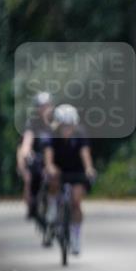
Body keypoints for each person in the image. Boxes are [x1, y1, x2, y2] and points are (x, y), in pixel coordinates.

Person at [43, 104, 97, 254]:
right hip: (59, 169)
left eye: (70, 126)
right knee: (53, 177)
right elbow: (48, 155)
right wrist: (50, 167)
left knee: (76, 202)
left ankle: (76, 236)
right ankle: (53, 207)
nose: (67, 129)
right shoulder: (51, 134)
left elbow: (85, 153)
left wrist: (89, 168)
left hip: (76, 171)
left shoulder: (80, 134)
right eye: (64, 126)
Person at [16, 92, 54, 220]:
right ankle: (32, 205)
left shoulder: (56, 121)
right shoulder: (32, 123)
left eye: (47, 105)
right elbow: (27, 142)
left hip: (53, 157)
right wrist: (27, 153)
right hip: (36, 156)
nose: (45, 109)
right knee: (30, 178)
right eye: (41, 106)